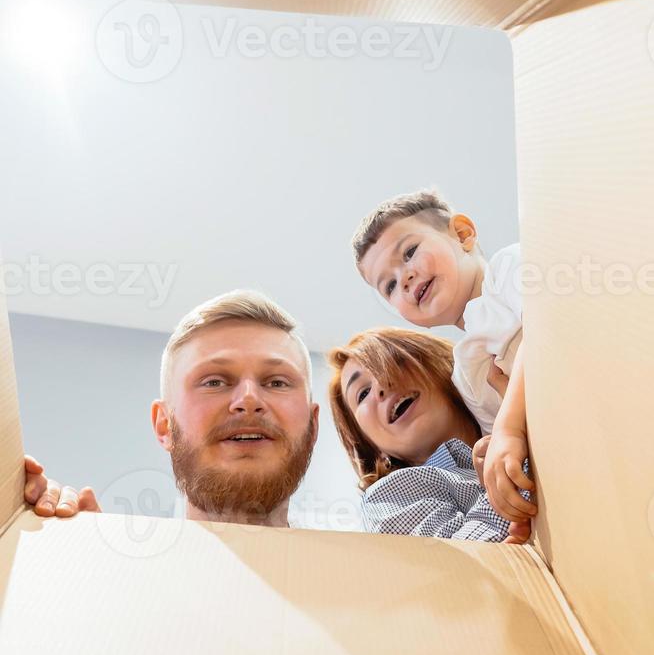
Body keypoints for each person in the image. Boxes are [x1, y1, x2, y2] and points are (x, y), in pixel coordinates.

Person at [24, 290, 318, 527]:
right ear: (164, 424)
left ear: (313, 425)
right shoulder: (107, 573)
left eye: (277, 383)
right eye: (214, 381)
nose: (248, 399)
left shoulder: (360, 582)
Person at [351, 188, 536, 528]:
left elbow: (547, 331)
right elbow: (513, 448)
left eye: (409, 252)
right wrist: (492, 457)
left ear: (463, 235)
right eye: (389, 286)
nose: (403, 279)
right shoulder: (466, 372)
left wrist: (508, 430)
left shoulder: (509, 268)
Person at [327, 326, 529, 543]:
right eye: (363, 393)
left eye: (392, 363)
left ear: (435, 367)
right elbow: (462, 563)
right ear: (373, 447)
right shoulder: (388, 498)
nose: (380, 386)